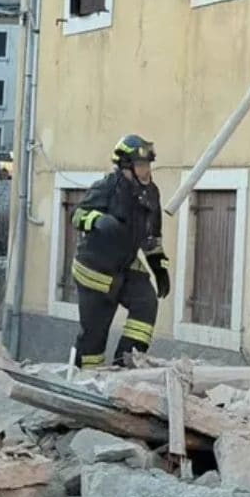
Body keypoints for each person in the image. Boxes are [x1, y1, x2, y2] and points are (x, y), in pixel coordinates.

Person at [69, 134, 169, 369]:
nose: (146, 171)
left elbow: (152, 237)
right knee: (93, 339)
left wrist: (159, 268)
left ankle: (125, 365)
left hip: (125, 265)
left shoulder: (151, 193)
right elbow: (77, 215)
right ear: (126, 167)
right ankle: (84, 380)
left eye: (147, 166)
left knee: (146, 303)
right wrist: (98, 220)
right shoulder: (106, 187)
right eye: (141, 166)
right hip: (95, 270)